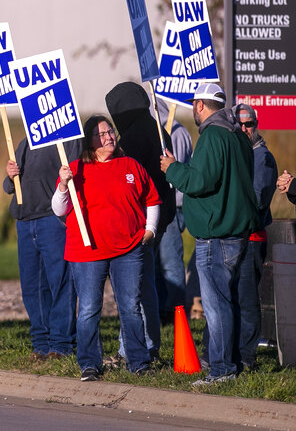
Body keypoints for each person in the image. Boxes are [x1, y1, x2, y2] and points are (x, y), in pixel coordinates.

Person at [160, 83, 258, 386]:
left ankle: (221, 370)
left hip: (217, 235)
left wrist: (173, 168)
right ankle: (234, 362)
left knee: (216, 304)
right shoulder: (238, 136)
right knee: (228, 300)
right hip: (236, 231)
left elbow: (201, 180)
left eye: (194, 106)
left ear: (201, 106)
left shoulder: (212, 136)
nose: (193, 111)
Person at [53, 115, 160, 381]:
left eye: (110, 132)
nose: (109, 137)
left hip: (128, 249)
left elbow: (152, 199)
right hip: (87, 252)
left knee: (130, 306)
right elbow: (58, 209)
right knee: (89, 308)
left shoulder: (130, 165)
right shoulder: (74, 169)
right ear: (89, 141)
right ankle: (89, 362)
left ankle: (138, 360)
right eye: (101, 134)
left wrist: (151, 229)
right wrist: (64, 184)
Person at [105, 82, 175, 366]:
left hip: (136, 221)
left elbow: (127, 182)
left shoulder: (133, 138)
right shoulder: (160, 131)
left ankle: (133, 349)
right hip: (158, 216)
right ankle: (149, 343)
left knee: (131, 288)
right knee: (145, 285)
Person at [4, 134, 80, 361]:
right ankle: (41, 342)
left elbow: (75, 174)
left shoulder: (67, 137)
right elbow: (9, 186)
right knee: (32, 286)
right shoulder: (23, 142)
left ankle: (61, 343)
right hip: (25, 219)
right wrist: (10, 176)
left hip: (52, 218)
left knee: (60, 282)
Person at [234, 103, 278, 370]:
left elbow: (258, 199)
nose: (243, 129)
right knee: (235, 298)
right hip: (236, 237)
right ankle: (235, 351)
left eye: (248, 124)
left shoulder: (261, 157)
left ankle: (247, 357)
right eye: (239, 124)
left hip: (251, 237)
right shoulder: (241, 154)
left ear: (256, 124)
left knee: (247, 299)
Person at [151, 97, 192, 323]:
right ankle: (164, 306)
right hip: (171, 203)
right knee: (159, 262)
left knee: (170, 261)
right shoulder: (180, 130)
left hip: (172, 204)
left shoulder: (172, 132)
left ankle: (175, 310)